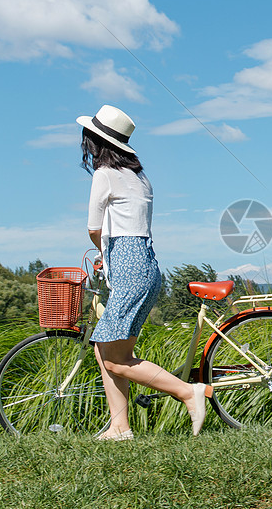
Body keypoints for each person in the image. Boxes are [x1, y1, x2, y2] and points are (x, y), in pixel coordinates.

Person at [78, 104, 212, 440]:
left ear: (94, 141)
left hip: (127, 266)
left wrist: (101, 251)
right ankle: (119, 426)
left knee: (117, 360)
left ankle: (187, 392)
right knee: (104, 348)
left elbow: (94, 228)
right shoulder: (139, 177)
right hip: (145, 265)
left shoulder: (104, 175)